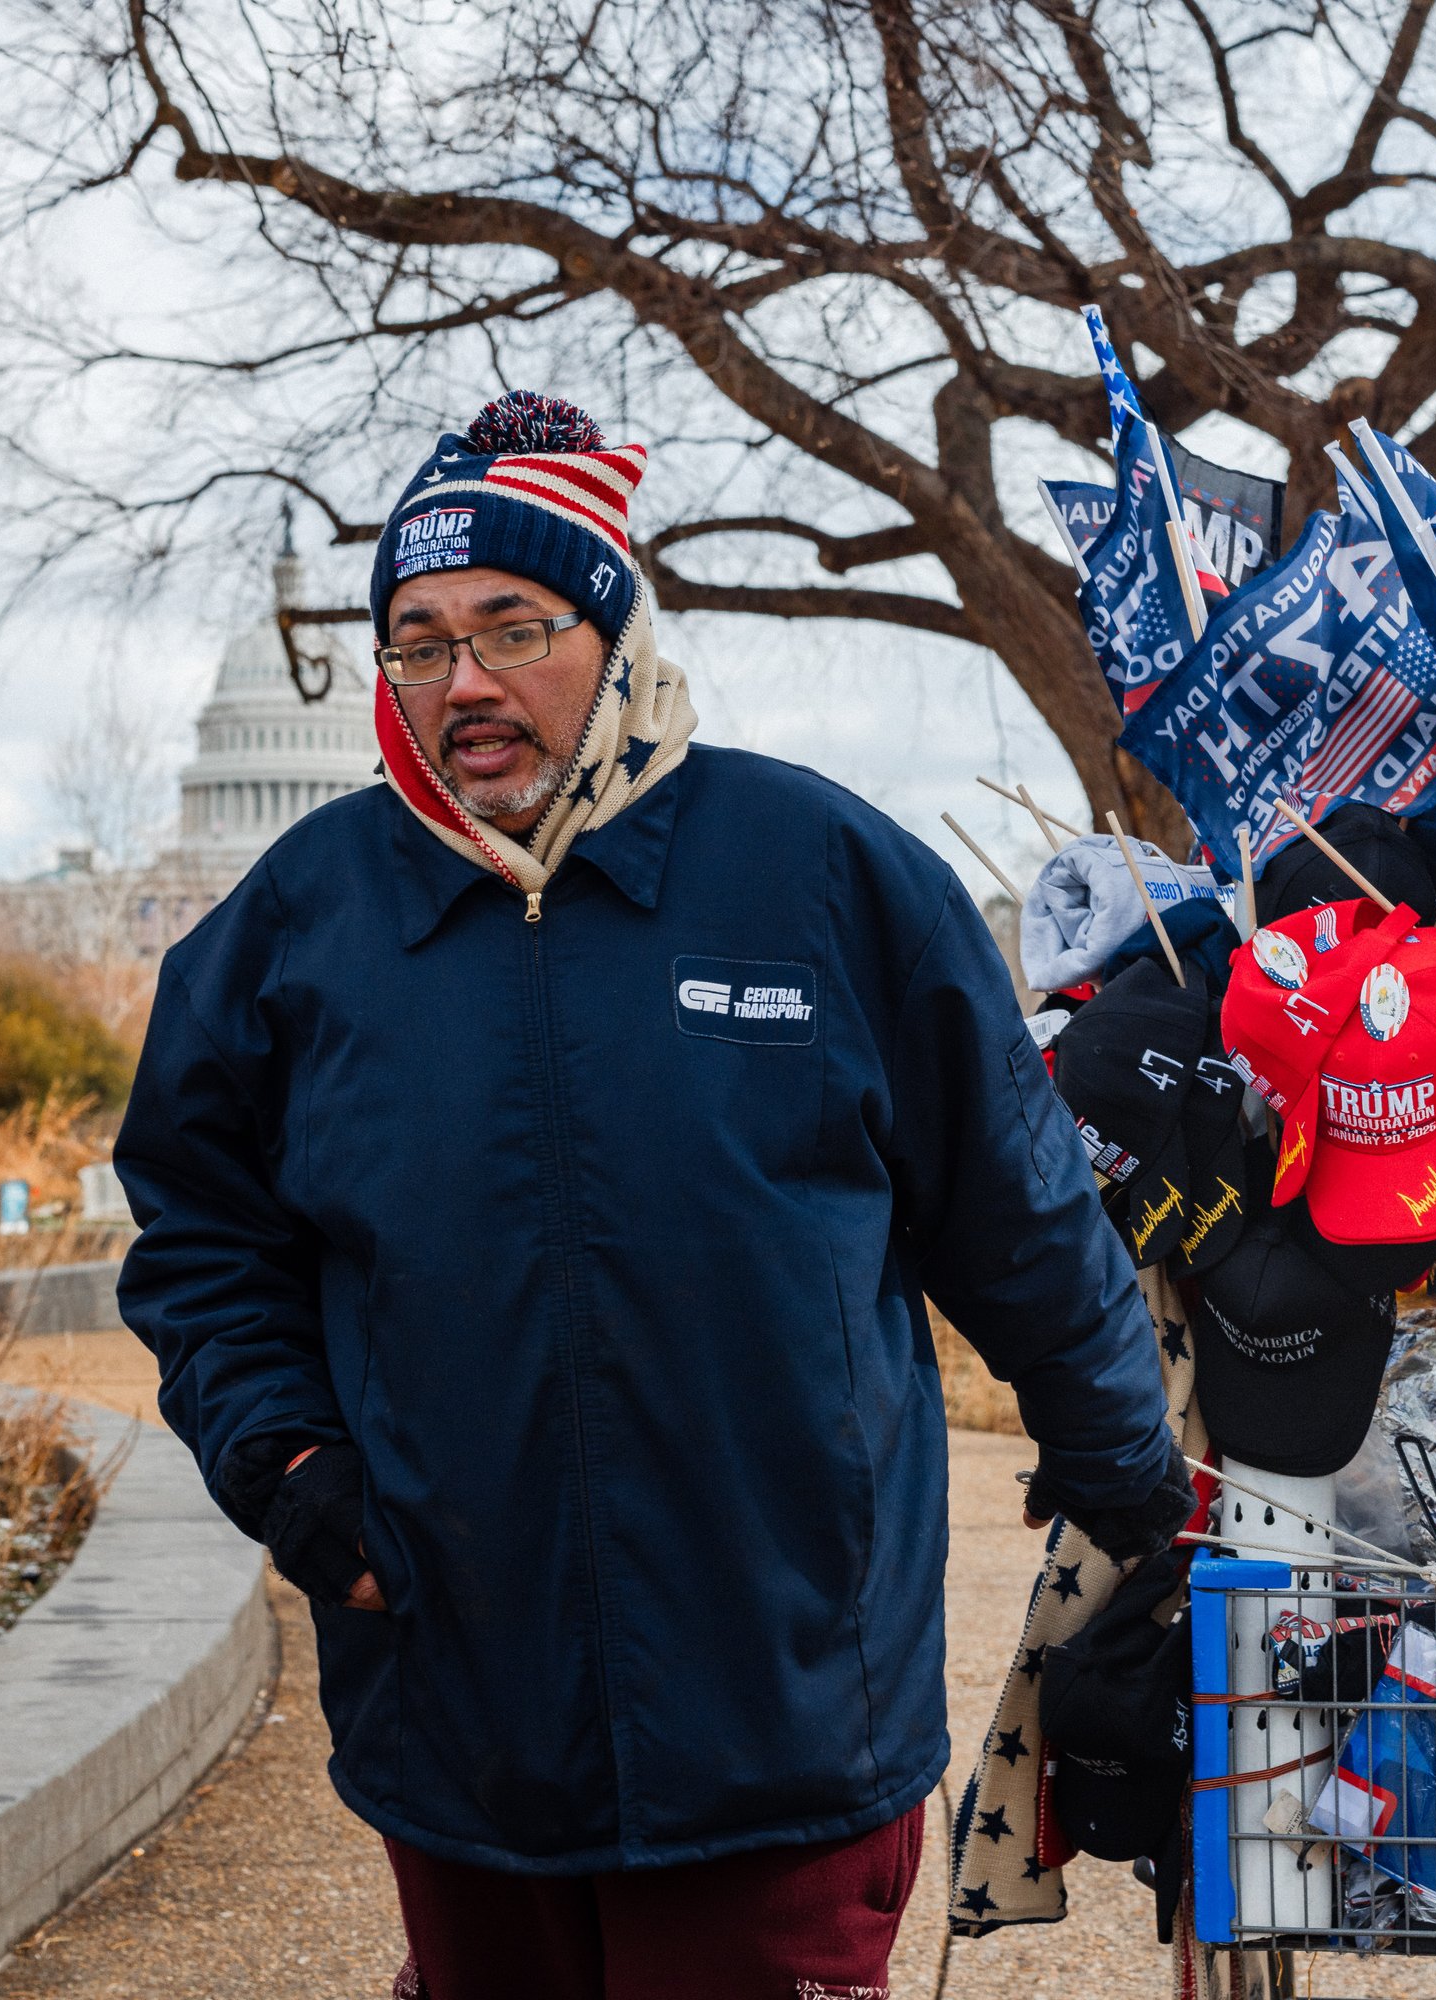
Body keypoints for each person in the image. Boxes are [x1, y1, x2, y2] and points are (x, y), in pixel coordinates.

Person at [115, 391, 1191, 2000]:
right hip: (455, 1688)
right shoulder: (300, 924)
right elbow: (202, 1236)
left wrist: (1121, 1460)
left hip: (786, 1692)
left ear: (613, 634)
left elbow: (1016, 1201)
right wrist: (289, 1466)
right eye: (419, 644)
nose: (465, 682)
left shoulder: (822, 873)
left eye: (513, 628)